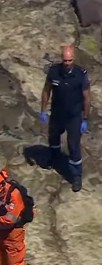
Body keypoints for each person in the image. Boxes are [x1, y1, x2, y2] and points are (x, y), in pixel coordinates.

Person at [40, 44, 91, 192]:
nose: (67, 63)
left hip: (74, 116)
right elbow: (46, 90)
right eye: (65, 60)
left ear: (73, 59)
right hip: (57, 113)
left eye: (70, 60)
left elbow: (87, 97)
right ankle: (55, 159)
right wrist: (43, 110)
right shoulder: (54, 72)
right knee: (53, 137)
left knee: (73, 145)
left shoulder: (80, 75)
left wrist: (85, 118)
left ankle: (76, 176)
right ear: (61, 59)